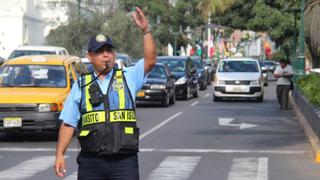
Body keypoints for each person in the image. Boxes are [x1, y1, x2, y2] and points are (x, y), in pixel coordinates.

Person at [54, 7, 156, 180]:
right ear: (90, 56)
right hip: (91, 162)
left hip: (124, 162)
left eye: (109, 50)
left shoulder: (128, 76)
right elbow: (69, 123)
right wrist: (59, 154)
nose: (106, 56)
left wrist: (146, 30)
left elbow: (150, 61)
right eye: (100, 52)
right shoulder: (81, 84)